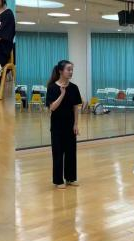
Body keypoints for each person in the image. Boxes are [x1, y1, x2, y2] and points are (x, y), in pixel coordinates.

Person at [44, 60, 82, 189]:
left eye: (72, 70)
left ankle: (70, 178)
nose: (71, 72)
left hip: (70, 125)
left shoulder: (74, 87)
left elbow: (75, 107)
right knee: (58, 153)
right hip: (57, 126)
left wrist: (76, 124)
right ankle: (58, 180)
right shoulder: (52, 87)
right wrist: (62, 94)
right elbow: (52, 107)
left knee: (71, 153)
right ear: (61, 71)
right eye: (68, 69)